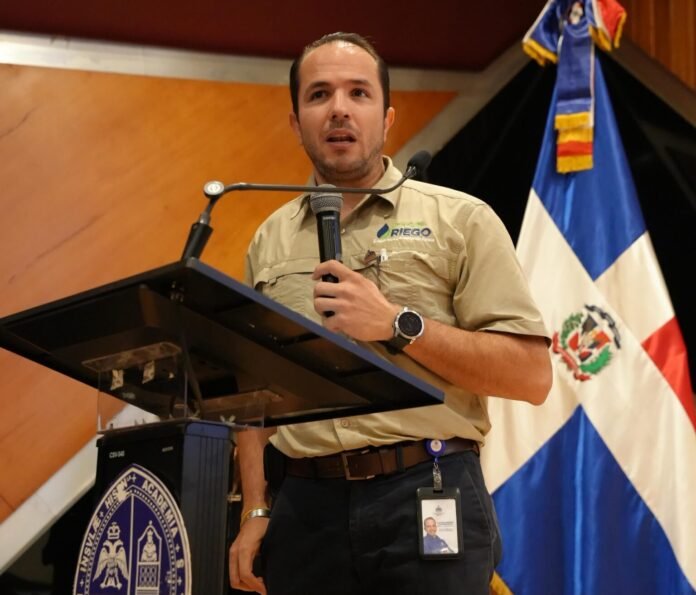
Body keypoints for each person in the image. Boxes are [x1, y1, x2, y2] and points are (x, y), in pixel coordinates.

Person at [229, 32, 552, 595]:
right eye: (319, 94)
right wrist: (255, 509)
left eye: (358, 93)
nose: (339, 109)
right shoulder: (269, 240)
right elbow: (255, 397)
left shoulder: (461, 220)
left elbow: (530, 376)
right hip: (305, 507)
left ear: (387, 118)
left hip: (427, 489)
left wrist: (399, 326)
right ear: (296, 122)